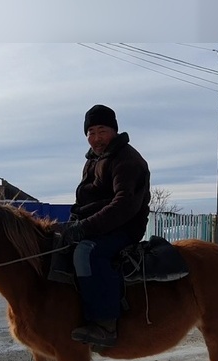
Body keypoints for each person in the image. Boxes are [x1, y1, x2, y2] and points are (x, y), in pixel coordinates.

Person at [55, 104, 151, 347]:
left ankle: (105, 323)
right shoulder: (94, 160)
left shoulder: (127, 159)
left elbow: (124, 205)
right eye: (91, 132)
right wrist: (71, 225)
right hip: (97, 224)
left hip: (124, 226)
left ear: (114, 131)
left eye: (102, 131)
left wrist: (84, 228)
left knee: (86, 253)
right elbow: (85, 201)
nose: (96, 138)